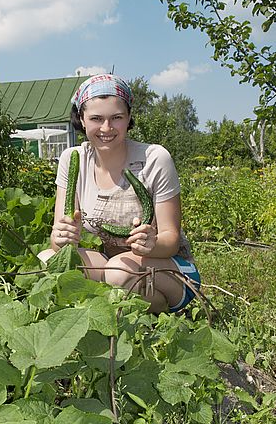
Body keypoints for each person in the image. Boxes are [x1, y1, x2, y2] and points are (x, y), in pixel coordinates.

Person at [38, 73, 201, 314]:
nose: (106, 128)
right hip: (111, 263)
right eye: (96, 118)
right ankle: (109, 314)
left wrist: (151, 244)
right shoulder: (72, 159)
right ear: (82, 120)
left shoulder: (155, 159)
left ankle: (164, 319)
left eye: (116, 118)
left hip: (168, 268)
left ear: (129, 118)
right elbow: (59, 240)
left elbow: (171, 239)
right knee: (46, 260)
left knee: (118, 273)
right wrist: (61, 237)